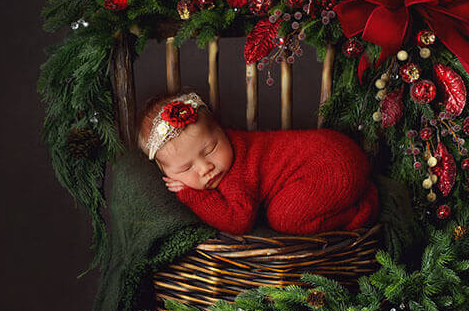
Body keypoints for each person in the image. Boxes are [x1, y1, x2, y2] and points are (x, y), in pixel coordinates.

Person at [137, 90, 379, 235]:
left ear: (222, 130)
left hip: (332, 164)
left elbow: (238, 221)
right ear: (166, 172)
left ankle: (360, 210)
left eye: (211, 149)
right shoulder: (220, 157)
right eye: (186, 168)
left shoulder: (236, 171)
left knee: (284, 217)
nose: (205, 168)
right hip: (333, 151)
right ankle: (356, 191)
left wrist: (193, 195)